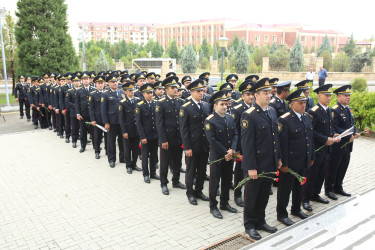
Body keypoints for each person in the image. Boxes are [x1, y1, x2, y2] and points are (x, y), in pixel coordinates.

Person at [241, 78, 281, 240]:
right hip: (256, 164)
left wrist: (278, 158)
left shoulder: (271, 111)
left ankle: (261, 220)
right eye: (265, 93)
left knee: (264, 194)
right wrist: (251, 167)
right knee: (252, 196)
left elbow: (275, 138)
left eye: (269, 92)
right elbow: (247, 144)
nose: (269, 95)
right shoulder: (249, 115)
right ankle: (250, 224)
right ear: (256, 95)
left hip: (270, 162)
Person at [276, 89, 314, 226]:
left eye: (304, 102)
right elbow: (281, 144)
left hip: (303, 160)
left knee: (300, 187)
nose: (303, 105)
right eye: (300, 103)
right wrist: (284, 163)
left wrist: (311, 156)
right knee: (285, 189)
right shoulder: (284, 120)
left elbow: (310, 139)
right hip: (290, 162)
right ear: (292, 104)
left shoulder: (306, 117)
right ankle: (281, 214)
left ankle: (296, 209)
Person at [302, 84, 341, 212]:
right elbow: (311, 132)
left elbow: (329, 128)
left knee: (321, 173)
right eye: (326, 95)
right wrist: (325, 139)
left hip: (326, 149)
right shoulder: (313, 112)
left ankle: (315, 194)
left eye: (330, 96)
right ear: (319, 96)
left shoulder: (328, 110)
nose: (329, 98)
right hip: (316, 149)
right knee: (312, 174)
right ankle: (305, 199)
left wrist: (333, 134)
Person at [204, 90, 238, 219]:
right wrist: (226, 152)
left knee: (227, 179)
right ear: (215, 105)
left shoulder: (229, 117)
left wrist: (232, 150)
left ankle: (224, 203)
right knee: (214, 181)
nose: (225, 107)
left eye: (226, 104)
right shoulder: (210, 121)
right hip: (217, 156)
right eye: (222, 104)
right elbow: (212, 140)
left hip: (229, 155)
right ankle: (213, 206)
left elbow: (235, 134)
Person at [179, 79, 210, 205]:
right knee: (191, 170)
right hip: (192, 145)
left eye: (202, 91)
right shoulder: (185, 108)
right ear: (191, 92)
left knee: (202, 170)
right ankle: (190, 193)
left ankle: (199, 190)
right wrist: (187, 147)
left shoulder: (206, 105)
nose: (201, 93)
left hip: (204, 144)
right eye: (198, 91)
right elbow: (184, 129)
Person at [325, 85, 360, 199]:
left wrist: (356, 132)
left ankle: (338, 187)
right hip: (338, 145)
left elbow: (351, 125)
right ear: (339, 96)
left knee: (343, 166)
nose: (348, 97)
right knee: (333, 167)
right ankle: (329, 189)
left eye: (349, 95)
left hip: (348, 145)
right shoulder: (334, 109)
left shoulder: (348, 109)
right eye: (345, 95)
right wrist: (349, 135)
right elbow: (334, 128)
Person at [155, 76, 186, 195]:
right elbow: (159, 123)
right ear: (166, 89)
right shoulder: (161, 103)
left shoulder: (180, 102)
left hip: (178, 138)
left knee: (177, 160)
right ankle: (164, 183)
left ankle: (176, 180)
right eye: (172, 88)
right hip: (167, 138)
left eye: (176, 88)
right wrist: (163, 140)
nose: (175, 90)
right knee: (164, 162)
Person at [231, 81, 254, 208]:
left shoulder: (256, 107)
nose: (251, 97)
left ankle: (248, 194)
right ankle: (237, 194)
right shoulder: (238, 110)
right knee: (239, 172)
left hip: (252, 147)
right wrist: (236, 150)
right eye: (247, 94)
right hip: (241, 147)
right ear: (242, 96)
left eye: (252, 94)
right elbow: (235, 131)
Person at [135, 83, 160, 183]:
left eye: (151, 93)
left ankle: (153, 172)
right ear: (143, 94)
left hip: (155, 135)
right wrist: (142, 137)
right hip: (146, 135)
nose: (150, 95)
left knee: (154, 155)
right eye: (148, 93)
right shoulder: (139, 106)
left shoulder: (156, 103)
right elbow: (139, 123)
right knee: (145, 156)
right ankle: (146, 174)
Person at [101, 74, 126, 168]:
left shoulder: (121, 93)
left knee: (122, 141)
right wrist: (106, 122)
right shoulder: (105, 94)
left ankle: (122, 157)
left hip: (121, 122)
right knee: (111, 142)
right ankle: (111, 159)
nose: (115, 83)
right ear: (108, 83)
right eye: (112, 82)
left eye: (116, 81)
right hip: (111, 122)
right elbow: (103, 110)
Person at [119, 82, 142, 174]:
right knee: (127, 148)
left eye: (133, 90)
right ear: (125, 92)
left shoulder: (138, 100)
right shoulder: (122, 103)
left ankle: (134, 164)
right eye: (129, 90)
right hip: (128, 130)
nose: (132, 92)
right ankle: (128, 165)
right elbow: (121, 119)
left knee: (136, 148)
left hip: (136, 129)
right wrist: (124, 131)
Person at [75, 72, 94, 153]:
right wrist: (78, 114)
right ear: (82, 80)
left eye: (87, 79)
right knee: (83, 131)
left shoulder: (94, 89)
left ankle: (95, 146)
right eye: (84, 79)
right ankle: (83, 146)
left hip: (92, 114)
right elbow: (77, 103)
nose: (86, 81)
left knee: (94, 131)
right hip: (83, 114)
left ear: (89, 80)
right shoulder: (79, 91)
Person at [89, 75, 107, 159]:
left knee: (108, 137)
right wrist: (93, 119)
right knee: (97, 137)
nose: (100, 85)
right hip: (98, 119)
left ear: (104, 84)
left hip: (107, 119)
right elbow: (91, 109)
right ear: (96, 84)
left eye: (102, 83)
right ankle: (97, 151)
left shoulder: (107, 93)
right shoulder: (92, 94)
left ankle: (107, 150)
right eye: (99, 83)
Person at [65, 75, 81, 148]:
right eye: (75, 81)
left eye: (78, 81)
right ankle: (74, 140)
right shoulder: (70, 91)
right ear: (73, 82)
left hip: (82, 111)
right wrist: (76, 106)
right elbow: (68, 102)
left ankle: (82, 140)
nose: (77, 82)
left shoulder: (82, 90)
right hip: (74, 111)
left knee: (82, 127)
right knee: (74, 127)